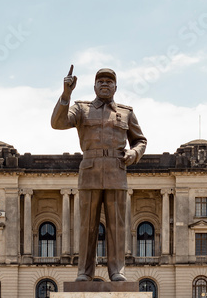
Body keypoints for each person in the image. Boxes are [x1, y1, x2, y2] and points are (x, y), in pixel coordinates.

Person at [51, 66, 147, 281]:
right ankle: (84, 271)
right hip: (90, 171)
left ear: (116, 87)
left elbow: (141, 140)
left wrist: (134, 153)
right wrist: (66, 93)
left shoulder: (126, 112)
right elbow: (57, 123)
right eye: (101, 81)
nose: (105, 84)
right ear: (94, 86)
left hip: (116, 171)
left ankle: (116, 271)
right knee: (87, 226)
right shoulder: (81, 109)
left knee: (117, 226)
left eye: (109, 81)